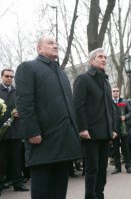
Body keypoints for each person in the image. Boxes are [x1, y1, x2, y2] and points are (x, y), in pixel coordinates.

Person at [15, 36, 82, 199]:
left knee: (60, 190)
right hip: (42, 139)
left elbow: (68, 106)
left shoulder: (61, 72)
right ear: (39, 48)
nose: (55, 46)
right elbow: (24, 102)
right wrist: (32, 132)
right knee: (42, 190)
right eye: (50, 43)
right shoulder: (28, 67)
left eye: (56, 43)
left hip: (64, 138)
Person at [72, 48, 117, 199]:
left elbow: (110, 108)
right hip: (90, 132)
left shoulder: (106, 81)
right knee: (92, 169)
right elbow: (78, 105)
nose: (104, 59)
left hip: (105, 132)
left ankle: (100, 195)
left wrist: (113, 128)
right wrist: (82, 128)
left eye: (105, 57)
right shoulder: (83, 79)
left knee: (103, 169)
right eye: (100, 57)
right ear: (92, 61)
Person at [0, 68, 29, 197]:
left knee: (16, 160)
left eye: (11, 76)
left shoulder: (18, 92)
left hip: (16, 132)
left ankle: (18, 183)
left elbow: (26, 109)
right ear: (1, 77)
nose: (9, 78)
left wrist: (20, 113)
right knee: (0, 161)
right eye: (7, 76)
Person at [111, 86, 131, 174]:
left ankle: (128, 167)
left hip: (124, 129)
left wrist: (125, 117)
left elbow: (130, 112)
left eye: (117, 91)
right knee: (115, 149)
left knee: (125, 149)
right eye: (114, 91)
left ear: (119, 92)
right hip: (114, 130)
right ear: (111, 93)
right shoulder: (109, 102)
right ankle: (117, 167)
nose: (115, 92)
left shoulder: (125, 101)